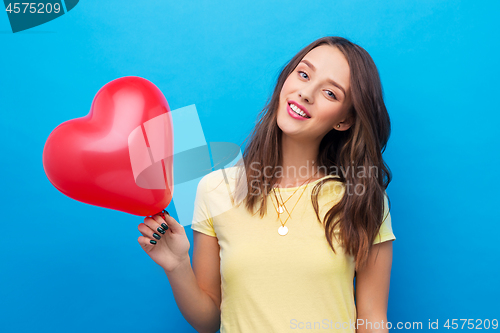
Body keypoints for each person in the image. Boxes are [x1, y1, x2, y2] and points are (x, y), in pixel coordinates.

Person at [137, 36, 396, 333]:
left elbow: (372, 319)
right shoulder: (215, 189)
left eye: (329, 93)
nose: (306, 93)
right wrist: (178, 265)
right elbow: (210, 321)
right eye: (303, 74)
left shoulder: (362, 200)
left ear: (344, 121)